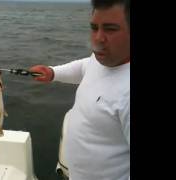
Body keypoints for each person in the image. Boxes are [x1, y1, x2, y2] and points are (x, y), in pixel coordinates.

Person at [29, 0, 130, 179]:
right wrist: (53, 73)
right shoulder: (102, 59)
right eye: (94, 27)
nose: (98, 38)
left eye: (110, 29)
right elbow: (85, 66)